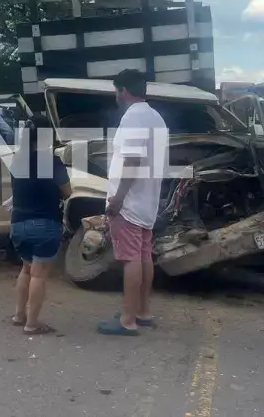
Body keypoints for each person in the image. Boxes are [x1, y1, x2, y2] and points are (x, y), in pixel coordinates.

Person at [98, 69, 166, 337]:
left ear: (123, 90)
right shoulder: (156, 117)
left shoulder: (133, 117)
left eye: (116, 90)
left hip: (130, 202)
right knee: (144, 256)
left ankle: (127, 319)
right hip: (147, 200)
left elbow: (132, 161)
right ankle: (142, 311)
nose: (116, 95)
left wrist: (117, 199)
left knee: (130, 259)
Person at [5, 115, 71, 335]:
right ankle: (32, 324)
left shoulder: (16, 159)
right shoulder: (53, 162)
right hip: (44, 225)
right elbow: (67, 192)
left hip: (18, 225)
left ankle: (18, 315)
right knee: (39, 275)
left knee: (26, 268)